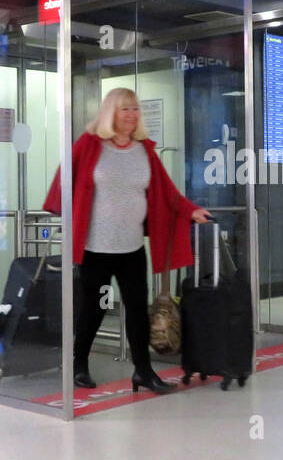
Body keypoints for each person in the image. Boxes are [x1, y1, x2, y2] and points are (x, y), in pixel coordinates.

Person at [43, 87, 210, 392]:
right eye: (125, 109)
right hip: (96, 247)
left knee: (136, 309)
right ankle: (79, 365)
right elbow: (64, 178)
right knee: (93, 309)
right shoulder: (90, 145)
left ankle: (143, 371)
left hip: (131, 247)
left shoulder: (144, 150)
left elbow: (167, 191)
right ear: (111, 112)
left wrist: (191, 210)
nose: (132, 115)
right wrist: (64, 212)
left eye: (135, 109)